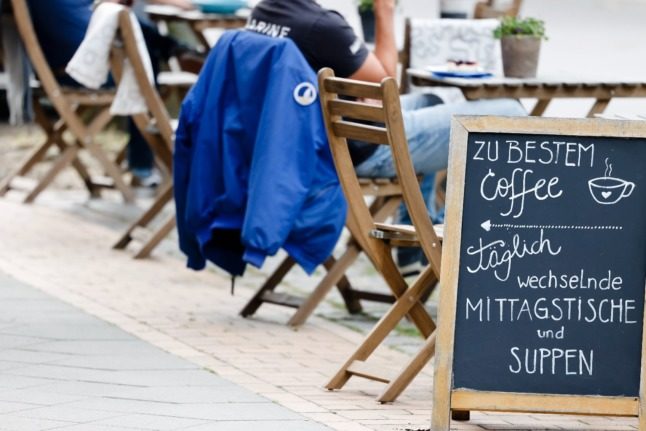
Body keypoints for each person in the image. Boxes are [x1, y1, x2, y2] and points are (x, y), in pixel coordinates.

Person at [247, 0, 526, 271]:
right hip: (357, 149)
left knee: (431, 102)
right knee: (510, 112)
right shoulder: (322, 27)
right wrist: (385, 9)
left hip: (309, 143)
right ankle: (467, 236)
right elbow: (386, 85)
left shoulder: (264, 12)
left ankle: (413, 242)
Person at [25, 0, 196, 185]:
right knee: (141, 66)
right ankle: (142, 167)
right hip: (79, 71)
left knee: (131, 32)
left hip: (58, 68)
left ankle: (175, 49)